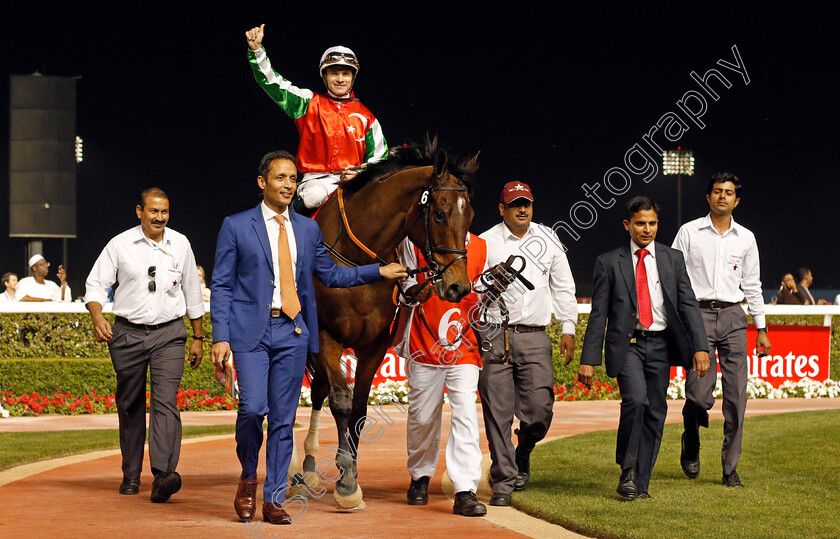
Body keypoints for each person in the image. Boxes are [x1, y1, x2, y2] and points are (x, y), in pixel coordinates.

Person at [210, 150, 406, 525]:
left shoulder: (307, 228)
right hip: (250, 332)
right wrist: (221, 336)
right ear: (262, 182)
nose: (288, 185)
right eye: (280, 178)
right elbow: (220, 285)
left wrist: (377, 271)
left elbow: (331, 275)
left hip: (292, 332)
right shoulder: (235, 226)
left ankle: (273, 498)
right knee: (252, 410)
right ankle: (248, 477)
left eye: (293, 179)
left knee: (284, 420)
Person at [579, 196, 710, 499]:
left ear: (657, 224)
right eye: (640, 223)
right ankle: (628, 470)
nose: (646, 229)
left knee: (656, 410)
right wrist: (589, 359)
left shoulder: (673, 258)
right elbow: (598, 314)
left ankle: (642, 483)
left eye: (652, 223)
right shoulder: (609, 262)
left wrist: (699, 348)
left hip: (662, 346)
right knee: (636, 401)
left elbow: (689, 305)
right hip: (629, 346)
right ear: (628, 225)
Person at [84, 187, 204, 502]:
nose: (159, 218)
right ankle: (131, 475)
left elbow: (192, 290)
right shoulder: (120, 244)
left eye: (164, 212)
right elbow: (96, 284)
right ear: (140, 211)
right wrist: (98, 317)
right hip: (126, 334)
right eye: (153, 211)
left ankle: (163, 475)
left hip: (170, 334)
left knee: (166, 402)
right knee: (130, 404)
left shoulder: (181, 244)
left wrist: (199, 337)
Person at [477, 181, 577, 507]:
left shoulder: (548, 239)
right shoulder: (484, 242)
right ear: (501, 209)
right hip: (494, 334)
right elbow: (468, 286)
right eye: (515, 204)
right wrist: (488, 282)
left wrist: (568, 327)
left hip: (535, 335)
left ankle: (525, 448)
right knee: (498, 413)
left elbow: (563, 287)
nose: (522, 209)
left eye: (527, 204)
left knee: (540, 410)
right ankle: (504, 481)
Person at [673, 172, 771, 488]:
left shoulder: (746, 238)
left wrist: (762, 328)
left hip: (733, 317)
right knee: (699, 396)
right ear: (708, 197)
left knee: (736, 399)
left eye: (729, 192)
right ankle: (691, 437)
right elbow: (673, 274)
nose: (723, 196)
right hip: (697, 316)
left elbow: (753, 285)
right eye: (717, 191)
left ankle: (730, 469)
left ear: (736, 200)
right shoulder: (688, 232)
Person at [245, 24, 388, 212]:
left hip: (354, 182)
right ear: (325, 76)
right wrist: (257, 52)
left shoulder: (366, 116)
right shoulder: (308, 102)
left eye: (345, 74)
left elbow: (380, 157)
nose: (340, 79)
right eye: (334, 73)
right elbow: (274, 84)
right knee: (314, 197)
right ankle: (288, 221)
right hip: (316, 182)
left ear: (353, 77)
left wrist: (358, 173)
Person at [397, 233, 487, 517]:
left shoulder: (483, 247)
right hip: (424, 342)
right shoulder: (412, 243)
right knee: (422, 416)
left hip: (465, 345)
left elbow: (486, 296)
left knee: (465, 414)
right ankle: (420, 476)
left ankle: (464, 489)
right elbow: (405, 289)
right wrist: (417, 291)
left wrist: (493, 291)